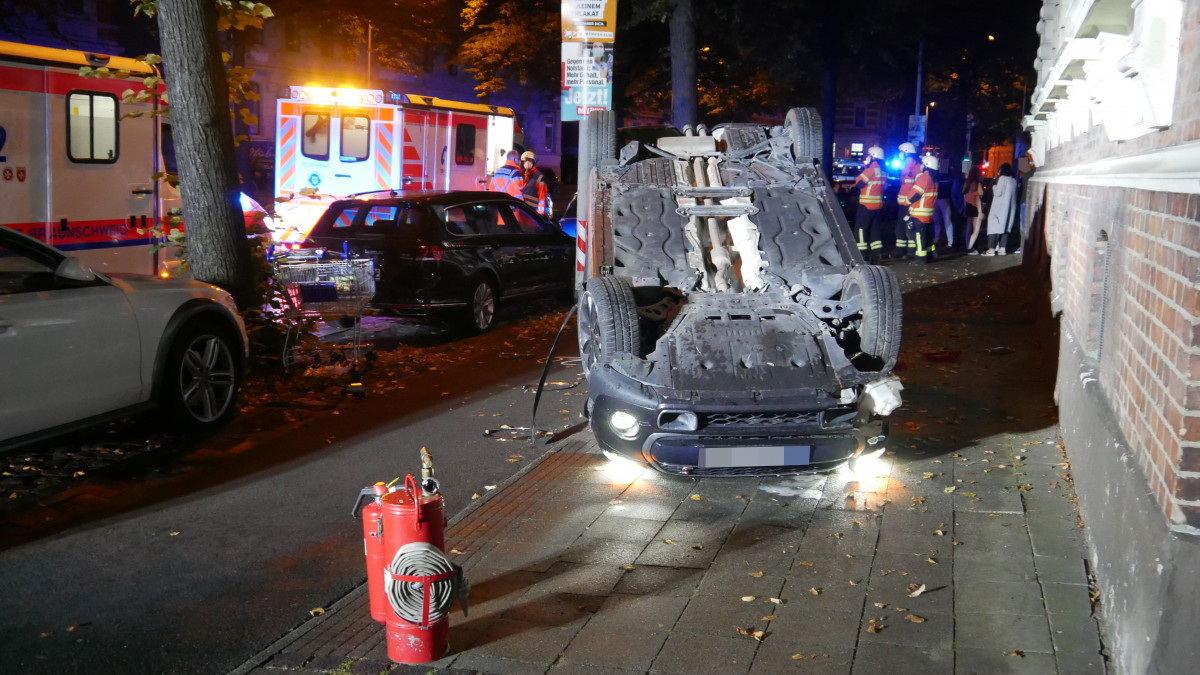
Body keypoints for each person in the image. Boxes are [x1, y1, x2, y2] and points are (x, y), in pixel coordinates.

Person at [853, 146, 888, 262]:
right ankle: (877, 253)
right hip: (878, 205)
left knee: (861, 229)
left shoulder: (870, 169)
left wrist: (865, 168)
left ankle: (862, 254)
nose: (867, 157)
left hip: (866, 205)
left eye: (869, 154)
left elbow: (859, 183)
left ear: (873, 156)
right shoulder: (883, 170)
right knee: (875, 230)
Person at [905, 154, 939, 264]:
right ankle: (931, 254)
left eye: (923, 164)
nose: (921, 166)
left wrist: (907, 201)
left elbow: (914, 195)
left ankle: (921, 258)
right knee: (927, 235)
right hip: (928, 214)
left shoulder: (924, 178)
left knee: (919, 236)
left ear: (927, 165)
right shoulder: (934, 179)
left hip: (919, 214)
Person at [983, 162, 1017, 255]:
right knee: (1005, 228)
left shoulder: (1002, 179)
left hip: (999, 209)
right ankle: (1002, 248)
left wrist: (994, 186)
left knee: (993, 227)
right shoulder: (1013, 180)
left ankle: (991, 249)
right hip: (1009, 210)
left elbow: (998, 193)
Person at [894, 142, 920, 257]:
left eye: (901, 152)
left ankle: (908, 251)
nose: (900, 154)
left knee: (908, 226)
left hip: (909, 203)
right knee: (904, 225)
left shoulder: (914, 165)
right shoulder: (909, 164)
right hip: (905, 202)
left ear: (905, 152)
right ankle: (905, 251)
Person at [519, 151, 552, 217]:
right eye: (525, 161)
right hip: (522, 211)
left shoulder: (539, 176)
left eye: (529, 160)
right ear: (522, 162)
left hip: (533, 213)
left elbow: (542, 196)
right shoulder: (521, 175)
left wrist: (541, 214)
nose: (527, 163)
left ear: (533, 162)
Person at [963, 165, 983, 254]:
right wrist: (980, 212)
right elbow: (978, 198)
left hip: (968, 207)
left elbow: (964, 196)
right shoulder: (977, 184)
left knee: (969, 229)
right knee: (976, 231)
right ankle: (970, 248)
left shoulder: (967, 183)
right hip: (975, 208)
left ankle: (968, 246)